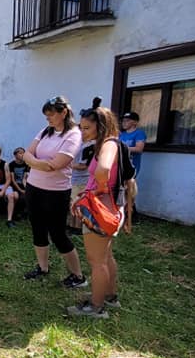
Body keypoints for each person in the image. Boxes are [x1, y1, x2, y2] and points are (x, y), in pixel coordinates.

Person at [21, 96, 87, 287]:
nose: (47, 118)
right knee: (38, 229)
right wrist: (40, 163)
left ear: (63, 112)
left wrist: (34, 162)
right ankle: (42, 268)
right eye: (46, 115)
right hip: (34, 188)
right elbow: (26, 154)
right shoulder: (45, 131)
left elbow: (57, 164)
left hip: (56, 192)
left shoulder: (73, 135)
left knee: (58, 234)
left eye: (51, 114)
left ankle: (78, 276)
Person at [68, 106, 124, 319]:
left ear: (101, 126)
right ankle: (110, 296)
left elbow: (103, 170)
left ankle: (96, 307)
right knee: (106, 255)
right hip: (110, 207)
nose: (82, 132)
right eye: (81, 127)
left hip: (100, 209)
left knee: (96, 261)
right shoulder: (111, 143)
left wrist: (95, 192)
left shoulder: (108, 144)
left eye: (86, 128)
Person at [68, 140, 95, 235]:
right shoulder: (80, 143)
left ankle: (78, 228)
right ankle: (72, 226)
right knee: (73, 203)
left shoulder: (90, 145)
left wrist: (67, 164)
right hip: (75, 178)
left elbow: (83, 166)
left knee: (78, 204)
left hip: (82, 180)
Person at [0, 145, 18, 228]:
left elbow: (8, 180)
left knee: (11, 196)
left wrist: (3, 191)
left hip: (4, 184)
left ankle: (9, 220)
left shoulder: (5, 164)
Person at [119, 112, 146, 176]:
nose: (124, 123)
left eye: (127, 121)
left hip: (131, 165)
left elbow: (139, 149)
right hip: (120, 164)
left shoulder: (139, 133)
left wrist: (122, 148)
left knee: (129, 181)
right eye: (123, 121)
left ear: (135, 122)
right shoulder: (121, 134)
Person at [8, 147, 30, 219]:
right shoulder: (11, 164)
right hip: (14, 185)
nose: (22, 154)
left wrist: (25, 188)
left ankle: (24, 213)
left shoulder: (26, 164)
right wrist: (20, 190)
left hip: (23, 184)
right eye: (20, 153)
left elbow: (24, 178)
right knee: (17, 196)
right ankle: (15, 213)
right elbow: (13, 180)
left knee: (27, 196)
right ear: (15, 155)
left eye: (23, 153)